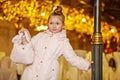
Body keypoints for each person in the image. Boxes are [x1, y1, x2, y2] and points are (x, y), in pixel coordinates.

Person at [10, 6, 92, 80]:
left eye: (57, 23)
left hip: (48, 72)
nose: (54, 26)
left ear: (63, 25)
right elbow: (29, 46)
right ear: (48, 24)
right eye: (51, 23)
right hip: (32, 70)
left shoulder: (63, 41)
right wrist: (24, 36)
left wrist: (86, 65)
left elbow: (72, 58)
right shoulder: (40, 36)